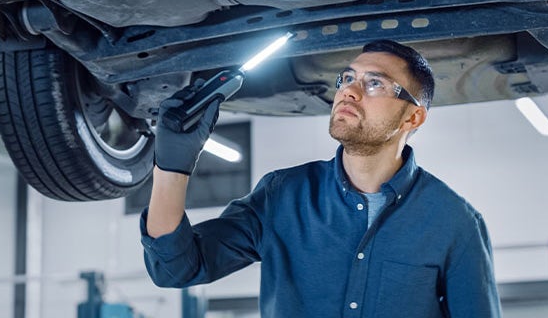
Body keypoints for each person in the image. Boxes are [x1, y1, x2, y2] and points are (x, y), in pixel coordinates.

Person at [141, 40, 501, 317]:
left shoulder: (455, 223)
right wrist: (172, 167)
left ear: (413, 119)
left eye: (375, 83)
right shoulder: (282, 196)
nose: (349, 90)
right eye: (348, 77)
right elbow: (177, 269)